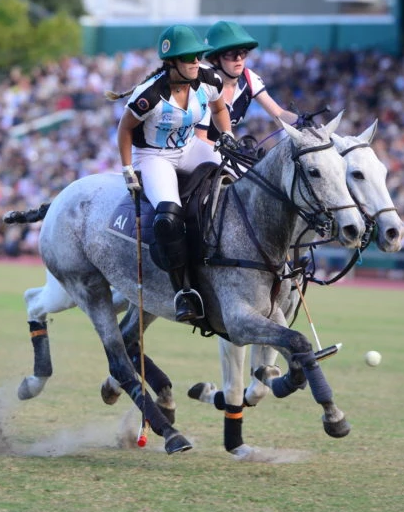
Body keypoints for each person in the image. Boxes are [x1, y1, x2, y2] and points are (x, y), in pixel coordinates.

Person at [116, 25, 236, 323]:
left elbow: (219, 110)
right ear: (172, 62)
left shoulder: (209, 78)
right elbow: (125, 128)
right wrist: (128, 168)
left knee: (241, 176)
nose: (196, 61)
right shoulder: (150, 95)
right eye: (189, 58)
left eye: (198, 56)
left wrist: (227, 135)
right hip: (154, 157)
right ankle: (183, 291)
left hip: (190, 146)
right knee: (168, 216)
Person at [196, 20, 298, 144]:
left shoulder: (249, 78)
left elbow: (278, 114)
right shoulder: (204, 83)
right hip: (191, 148)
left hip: (220, 148)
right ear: (215, 59)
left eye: (243, 52)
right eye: (231, 54)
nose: (238, 58)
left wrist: (303, 122)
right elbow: (198, 138)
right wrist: (229, 149)